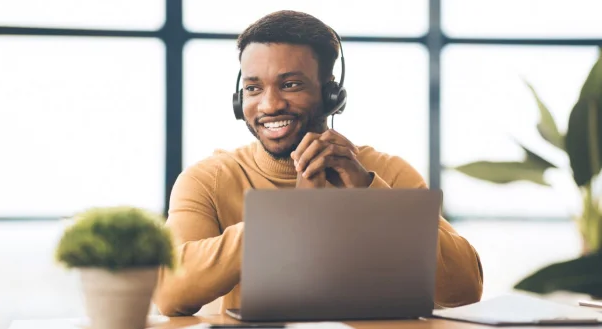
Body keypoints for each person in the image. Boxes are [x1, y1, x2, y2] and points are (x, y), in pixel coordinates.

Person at [153, 10, 483, 316]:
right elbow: (169, 294)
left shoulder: (388, 172)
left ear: (331, 96)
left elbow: (464, 290)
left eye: (290, 84)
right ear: (240, 101)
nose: (269, 104)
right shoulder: (208, 179)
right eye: (253, 88)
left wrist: (370, 195)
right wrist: (292, 214)